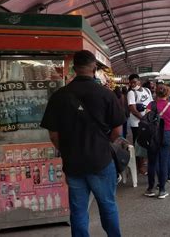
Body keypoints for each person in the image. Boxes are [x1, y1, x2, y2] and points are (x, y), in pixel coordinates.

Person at [40, 50, 125, 237]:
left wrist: (66, 150)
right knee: (107, 205)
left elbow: (53, 134)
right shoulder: (106, 94)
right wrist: (103, 143)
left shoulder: (59, 96)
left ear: (74, 68)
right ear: (94, 67)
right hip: (101, 160)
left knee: (78, 210)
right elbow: (117, 131)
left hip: (73, 163)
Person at [145, 84, 170, 198]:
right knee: (163, 162)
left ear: (156, 93)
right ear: (168, 93)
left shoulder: (150, 105)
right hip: (167, 134)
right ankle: (162, 190)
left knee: (152, 162)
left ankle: (150, 189)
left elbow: (147, 121)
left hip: (153, 135)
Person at [127, 74, 153, 174]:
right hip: (137, 123)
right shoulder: (131, 93)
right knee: (138, 143)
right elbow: (132, 109)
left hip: (147, 121)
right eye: (131, 83)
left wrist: (150, 116)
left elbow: (151, 104)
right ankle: (140, 166)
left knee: (147, 141)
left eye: (134, 82)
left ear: (139, 82)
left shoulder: (147, 90)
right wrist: (143, 119)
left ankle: (144, 161)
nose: (133, 84)